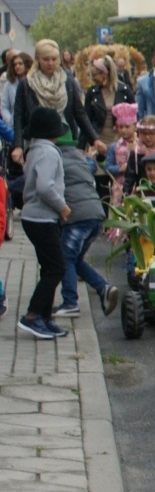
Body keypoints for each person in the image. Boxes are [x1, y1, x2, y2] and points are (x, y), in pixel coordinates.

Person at [16, 108, 70, 339]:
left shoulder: (35, 150)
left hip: (33, 217)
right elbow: (45, 186)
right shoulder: (49, 152)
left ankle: (45, 318)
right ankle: (32, 315)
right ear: (53, 131)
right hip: (42, 217)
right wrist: (62, 207)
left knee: (49, 267)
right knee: (57, 267)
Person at [53, 128, 118, 319]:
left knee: (65, 258)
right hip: (96, 214)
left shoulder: (57, 160)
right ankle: (103, 288)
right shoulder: (80, 159)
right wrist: (90, 157)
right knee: (76, 259)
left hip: (77, 217)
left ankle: (70, 302)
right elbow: (91, 166)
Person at [15, 41, 97, 153]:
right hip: (37, 141)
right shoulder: (26, 84)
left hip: (66, 138)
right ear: (38, 59)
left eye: (54, 59)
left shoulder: (67, 82)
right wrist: (18, 146)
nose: (50, 63)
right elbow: (18, 116)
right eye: (46, 59)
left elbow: (79, 112)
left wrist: (94, 138)